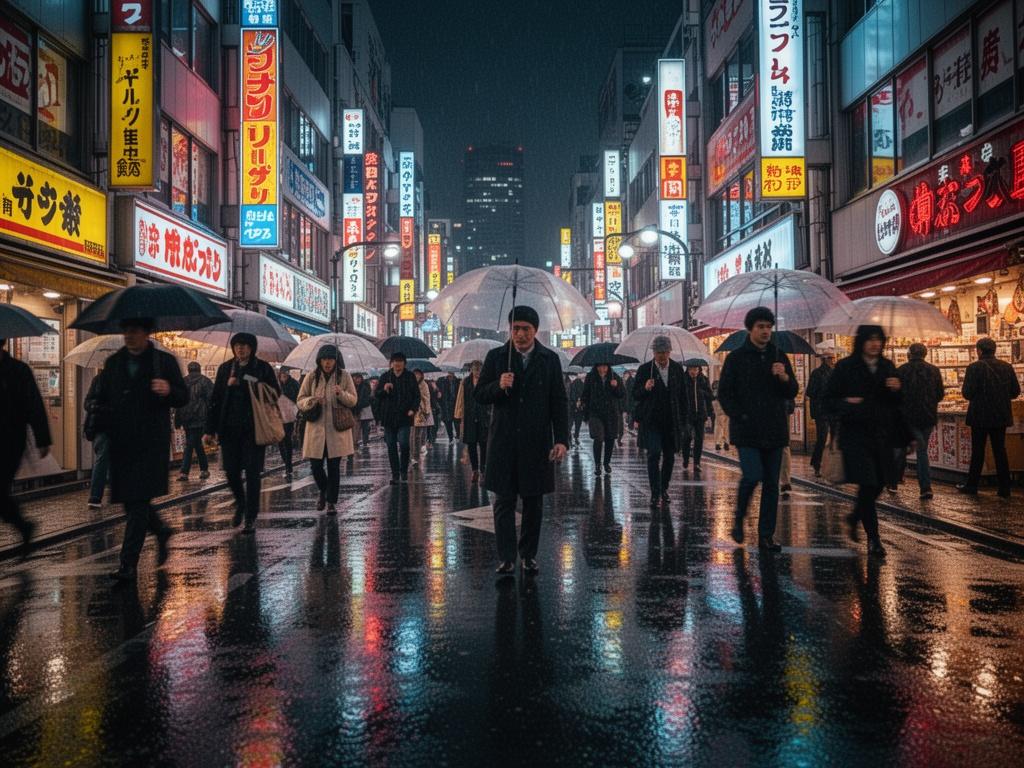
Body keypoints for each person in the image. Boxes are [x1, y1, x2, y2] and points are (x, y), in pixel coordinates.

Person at [476, 306, 569, 575]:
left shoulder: (549, 359)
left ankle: (528, 554)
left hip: (536, 441)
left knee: (533, 501)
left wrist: (561, 439)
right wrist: (498, 385)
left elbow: (558, 402)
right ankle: (506, 557)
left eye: (525, 329)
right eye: (515, 328)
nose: (519, 334)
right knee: (503, 501)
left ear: (535, 331)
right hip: (503, 441)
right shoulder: (496, 358)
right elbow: (479, 394)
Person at [95, 319, 188, 580]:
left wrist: (169, 389)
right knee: (128, 501)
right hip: (122, 442)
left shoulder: (163, 362)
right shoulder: (114, 363)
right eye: (125, 331)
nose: (129, 336)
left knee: (137, 504)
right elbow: (102, 397)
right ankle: (160, 530)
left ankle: (128, 565)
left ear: (147, 334)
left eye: (134, 331)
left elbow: (183, 396)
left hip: (150, 443)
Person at [717, 307, 798, 551]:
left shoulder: (779, 356)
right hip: (747, 431)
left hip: (774, 429)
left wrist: (783, 377)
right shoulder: (736, 358)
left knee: (772, 484)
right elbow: (725, 393)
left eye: (768, 327)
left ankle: (766, 535)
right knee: (752, 475)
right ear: (750, 329)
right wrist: (739, 415)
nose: (765, 331)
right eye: (760, 326)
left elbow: (792, 391)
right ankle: (739, 518)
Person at [823, 325, 902, 558]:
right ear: (861, 342)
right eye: (870, 339)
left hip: (882, 435)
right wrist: (848, 402)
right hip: (855, 435)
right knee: (868, 482)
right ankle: (874, 539)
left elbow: (897, 404)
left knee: (879, 484)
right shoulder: (846, 367)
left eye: (879, 339)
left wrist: (897, 389)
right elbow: (827, 400)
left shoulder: (888, 367)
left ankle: (855, 516)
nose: (875, 344)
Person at [205, 332, 280, 532]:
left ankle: (251, 517)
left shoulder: (262, 367)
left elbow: (275, 393)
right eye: (237, 345)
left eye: (245, 345)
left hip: (254, 430)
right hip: (229, 430)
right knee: (231, 472)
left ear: (252, 348)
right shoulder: (225, 369)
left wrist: (244, 379)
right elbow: (215, 400)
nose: (241, 349)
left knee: (253, 474)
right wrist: (209, 430)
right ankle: (241, 502)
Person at [0, 337, 51, 555]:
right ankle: (23, 525)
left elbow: (34, 404)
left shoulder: (18, 371)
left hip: (10, 440)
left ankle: (23, 525)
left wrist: (43, 438)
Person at [297, 345, 358, 514]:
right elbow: (300, 399)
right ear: (319, 361)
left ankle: (331, 502)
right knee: (316, 466)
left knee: (333, 467)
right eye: (324, 360)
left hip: (336, 431)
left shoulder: (344, 376)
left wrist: (341, 394)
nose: (327, 363)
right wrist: (312, 400)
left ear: (335, 361)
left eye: (330, 360)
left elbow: (353, 400)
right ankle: (323, 491)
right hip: (316, 429)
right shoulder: (312, 376)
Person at [958, 337, 1021, 498]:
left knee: (978, 450)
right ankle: (1004, 488)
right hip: (1000, 415)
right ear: (995, 350)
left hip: (979, 415)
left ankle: (972, 485)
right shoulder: (1006, 367)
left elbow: (967, 393)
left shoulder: (974, 367)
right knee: (1000, 450)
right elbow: (1015, 391)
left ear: (978, 350)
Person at [632, 335, 688, 508]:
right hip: (652, 422)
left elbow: (683, 396)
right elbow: (635, 395)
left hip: (671, 422)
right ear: (653, 353)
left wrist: (685, 421)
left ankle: (664, 488)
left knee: (669, 457)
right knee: (654, 454)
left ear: (670, 352)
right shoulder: (644, 370)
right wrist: (645, 388)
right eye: (658, 353)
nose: (662, 356)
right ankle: (655, 492)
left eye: (665, 352)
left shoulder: (677, 369)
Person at [895, 344, 944, 499]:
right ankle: (925, 487)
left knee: (903, 448)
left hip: (907, 417)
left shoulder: (901, 370)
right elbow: (940, 394)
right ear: (925, 354)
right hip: (928, 417)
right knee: (922, 450)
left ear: (909, 354)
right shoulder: (934, 370)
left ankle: (897, 481)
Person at [373, 352, 420, 484]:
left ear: (404, 363)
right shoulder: (385, 377)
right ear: (391, 363)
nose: (397, 364)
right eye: (395, 361)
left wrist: (413, 409)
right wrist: (384, 389)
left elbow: (417, 396)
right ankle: (395, 474)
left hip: (405, 416)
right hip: (389, 417)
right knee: (391, 445)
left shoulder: (410, 377)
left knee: (404, 444)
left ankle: (403, 470)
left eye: (400, 361)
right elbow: (376, 395)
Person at [580, 363, 624, 476]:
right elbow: (586, 393)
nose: (602, 369)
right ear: (596, 367)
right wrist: (582, 403)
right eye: (600, 366)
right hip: (595, 413)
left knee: (610, 438)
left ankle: (606, 463)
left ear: (608, 367)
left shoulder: (615, 377)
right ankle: (597, 464)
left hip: (611, 413)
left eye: (605, 366)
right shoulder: (591, 377)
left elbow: (622, 394)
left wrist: (616, 387)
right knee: (598, 437)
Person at [454, 359, 491, 483]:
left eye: (480, 370)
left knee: (484, 444)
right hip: (469, 416)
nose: (478, 372)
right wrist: (458, 414)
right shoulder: (465, 382)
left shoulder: (486, 381)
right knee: (471, 444)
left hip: (483, 416)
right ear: (471, 370)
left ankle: (483, 470)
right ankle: (475, 470)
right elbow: (460, 398)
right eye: (475, 370)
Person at [175, 362, 214, 481]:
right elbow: (211, 401)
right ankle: (193, 471)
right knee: (194, 443)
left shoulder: (183, 381)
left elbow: (178, 401)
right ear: (199, 369)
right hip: (201, 418)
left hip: (186, 417)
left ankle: (187, 471)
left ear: (188, 370)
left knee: (191, 443)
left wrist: (177, 419)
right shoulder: (206, 381)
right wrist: (211, 419)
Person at [805, 352, 836, 476]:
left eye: (833, 358)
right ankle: (817, 463)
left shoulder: (834, 373)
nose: (833, 360)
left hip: (833, 410)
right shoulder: (817, 373)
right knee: (822, 438)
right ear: (825, 360)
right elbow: (810, 392)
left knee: (834, 438)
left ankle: (831, 465)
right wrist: (823, 393)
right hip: (821, 410)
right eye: (831, 358)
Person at [84, 368, 111, 508]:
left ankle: (97, 497)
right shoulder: (121, 381)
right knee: (103, 459)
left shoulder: (97, 379)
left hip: (99, 427)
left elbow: (87, 403)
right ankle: (95, 497)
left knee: (104, 459)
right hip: (107, 427)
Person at [681, 361, 714, 473]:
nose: (693, 372)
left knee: (699, 440)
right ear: (688, 370)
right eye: (691, 369)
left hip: (700, 414)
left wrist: (702, 393)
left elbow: (710, 396)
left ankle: (697, 463)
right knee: (687, 437)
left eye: (695, 369)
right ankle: (685, 458)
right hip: (687, 414)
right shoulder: (683, 380)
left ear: (699, 370)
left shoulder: (703, 380)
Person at [277, 368, 300, 478]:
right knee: (280, 439)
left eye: (285, 375)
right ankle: (286, 462)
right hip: (278, 415)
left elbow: (297, 397)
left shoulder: (294, 383)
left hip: (290, 415)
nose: (283, 377)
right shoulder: (277, 384)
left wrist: (284, 394)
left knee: (287, 438)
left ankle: (288, 464)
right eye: (282, 375)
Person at [410, 369, 434, 464]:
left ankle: (415, 456)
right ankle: (412, 455)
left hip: (420, 413)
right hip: (411, 412)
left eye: (418, 374)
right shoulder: (410, 384)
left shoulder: (424, 385)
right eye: (415, 374)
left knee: (416, 436)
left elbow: (426, 398)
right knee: (412, 436)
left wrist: (425, 411)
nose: (416, 376)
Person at [351, 373, 374, 448]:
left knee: (365, 427)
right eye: (355, 378)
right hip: (355, 411)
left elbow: (368, 399)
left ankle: (365, 442)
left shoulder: (365, 386)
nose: (357, 380)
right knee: (356, 428)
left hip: (364, 410)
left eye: (358, 378)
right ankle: (355, 442)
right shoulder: (351, 387)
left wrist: (359, 405)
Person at [437, 372, 459, 442]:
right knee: (448, 422)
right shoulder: (441, 380)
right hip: (445, 405)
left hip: (456, 405)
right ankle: (451, 437)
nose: (450, 374)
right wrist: (438, 392)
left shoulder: (458, 381)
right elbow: (437, 390)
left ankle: (458, 436)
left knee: (457, 422)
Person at [711, 380, 730, 451]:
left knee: (719, 425)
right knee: (726, 425)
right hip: (725, 405)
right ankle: (726, 442)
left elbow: (713, 396)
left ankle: (718, 443)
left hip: (718, 404)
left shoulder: (716, 384)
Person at [569, 374, 586, 446]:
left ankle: (574, 436)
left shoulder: (584, 384)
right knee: (574, 423)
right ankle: (573, 436)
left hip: (577, 408)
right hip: (575, 407)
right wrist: (577, 401)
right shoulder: (578, 383)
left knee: (575, 423)